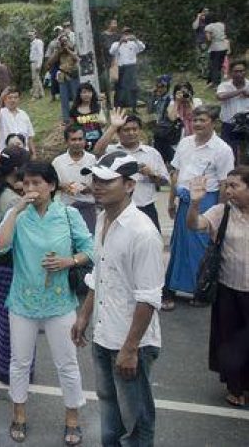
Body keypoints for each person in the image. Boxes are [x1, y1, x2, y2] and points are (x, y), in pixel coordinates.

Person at [0, 161, 92, 445]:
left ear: (51, 185)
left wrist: (68, 261)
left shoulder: (69, 214)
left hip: (60, 303)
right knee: (20, 362)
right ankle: (19, 414)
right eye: (26, 183)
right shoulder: (18, 215)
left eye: (37, 183)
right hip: (23, 301)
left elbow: (91, 249)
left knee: (67, 363)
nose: (31, 188)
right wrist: (15, 211)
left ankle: (72, 418)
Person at [71, 151, 164, 447]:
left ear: (129, 185)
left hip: (130, 343)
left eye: (107, 181)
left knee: (137, 421)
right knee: (110, 411)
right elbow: (100, 272)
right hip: (103, 335)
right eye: (95, 179)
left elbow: (148, 298)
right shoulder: (102, 219)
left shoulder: (143, 233)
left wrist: (130, 348)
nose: (97, 186)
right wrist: (84, 315)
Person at [186, 167, 249, 408]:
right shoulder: (221, 212)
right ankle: (235, 388)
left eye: (235, 186)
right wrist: (194, 204)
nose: (229, 190)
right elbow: (194, 225)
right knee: (231, 340)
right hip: (228, 289)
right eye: (227, 185)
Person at [163, 106, 235, 310]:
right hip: (184, 199)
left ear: (214, 122)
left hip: (207, 201)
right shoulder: (185, 143)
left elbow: (224, 183)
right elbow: (175, 174)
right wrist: (171, 201)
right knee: (179, 246)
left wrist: (220, 210)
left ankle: (201, 290)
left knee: (201, 247)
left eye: (202, 120)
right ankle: (173, 286)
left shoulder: (222, 149)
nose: (198, 124)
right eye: (195, 120)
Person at [0, 146, 30, 384]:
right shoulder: (13, 200)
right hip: (11, 260)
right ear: (17, 170)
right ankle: (14, 368)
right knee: (16, 317)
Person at [94, 111, 170, 232]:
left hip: (145, 208)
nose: (131, 133)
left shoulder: (151, 153)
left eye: (135, 129)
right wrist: (113, 126)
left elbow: (165, 182)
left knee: (150, 245)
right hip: (118, 209)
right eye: (126, 130)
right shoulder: (112, 151)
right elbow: (97, 152)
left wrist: (151, 174)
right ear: (118, 133)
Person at [53, 124, 98, 234]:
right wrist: (62, 186)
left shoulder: (92, 160)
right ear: (67, 141)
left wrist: (89, 188)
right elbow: (50, 184)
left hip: (88, 207)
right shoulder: (58, 162)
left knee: (90, 238)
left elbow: (99, 183)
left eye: (80, 139)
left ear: (85, 140)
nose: (77, 142)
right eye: (73, 139)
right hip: (66, 208)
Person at [216, 59, 249, 160]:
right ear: (231, 72)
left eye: (241, 71)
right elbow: (220, 96)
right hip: (229, 124)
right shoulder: (224, 85)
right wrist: (240, 91)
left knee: (246, 154)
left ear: (246, 71)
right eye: (236, 71)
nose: (239, 73)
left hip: (247, 123)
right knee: (228, 153)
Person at [109, 27, 145, 112]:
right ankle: (118, 107)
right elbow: (111, 52)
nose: (127, 35)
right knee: (120, 88)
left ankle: (133, 107)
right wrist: (120, 42)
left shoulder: (133, 43)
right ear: (121, 34)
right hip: (121, 67)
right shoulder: (116, 43)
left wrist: (135, 40)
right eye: (125, 33)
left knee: (133, 88)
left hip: (131, 67)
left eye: (128, 33)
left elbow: (142, 47)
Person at [0, 88, 37, 156]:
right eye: (9, 98)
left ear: (19, 99)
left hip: (23, 153)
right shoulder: (1, 113)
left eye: (15, 97)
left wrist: (34, 154)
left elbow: (30, 137)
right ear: (5, 100)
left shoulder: (24, 114)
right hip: (6, 154)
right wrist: (0, 98)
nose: (13, 100)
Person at [46, 34, 80, 122]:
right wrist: (57, 51)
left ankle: (78, 116)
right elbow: (50, 62)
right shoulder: (58, 50)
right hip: (62, 76)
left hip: (73, 74)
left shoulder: (74, 46)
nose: (64, 42)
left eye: (65, 40)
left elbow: (77, 58)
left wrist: (68, 50)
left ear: (69, 40)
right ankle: (67, 119)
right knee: (64, 99)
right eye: (62, 41)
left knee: (76, 97)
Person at [148, 75, 177, 163]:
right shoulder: (157, 98)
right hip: (159, 130)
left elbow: (171, 117)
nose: (159, 89)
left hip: (167, 131)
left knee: (170, 157)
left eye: (162, 86)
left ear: (167, 86)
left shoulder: (171, 99)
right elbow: (149, 110)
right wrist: (152, 96)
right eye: (158, 86)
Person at [68, 82, 103, 152]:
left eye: (89, 92)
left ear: (92, 93)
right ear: (79, 94)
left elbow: (104, 124)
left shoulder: (98, 107)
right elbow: (72, 128)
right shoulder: (74, 110)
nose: (87, 95)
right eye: (84, 92)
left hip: (98, 141)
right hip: (81, 143)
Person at [204, 14, 230, 88]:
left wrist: (211, 37)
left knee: (214, 66)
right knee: (219, 65)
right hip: (224, 46)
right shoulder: (221, 24)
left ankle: (216, 83)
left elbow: (208, 38)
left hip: (216, 47)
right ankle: (212, 81)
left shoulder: (209, 27)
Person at [100, 19, 120, 109]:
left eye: (116, 23)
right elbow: (100, 49)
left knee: (117, 82)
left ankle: (117, 102)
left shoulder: (117, 36)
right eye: (113, 23)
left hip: (116, 61)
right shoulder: (103, 36)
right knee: (107, 83)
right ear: (109, 25)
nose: (115, 25)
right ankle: (109, 103)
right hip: (105, 62)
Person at [46, 26, 63, 103]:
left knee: (62, 79)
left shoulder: (65, 39)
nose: (58, 32)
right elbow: (48, 54)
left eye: (59, 30)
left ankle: (63, 94)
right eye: (56, 31)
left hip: (63, 61)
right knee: (53, 79)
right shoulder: (52, 42)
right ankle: (53, 96)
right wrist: (48, 64)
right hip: (54, 62)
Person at [192, 8, 210, 80]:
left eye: (207, 12)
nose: (205, 13)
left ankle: (205, 74)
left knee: (205, 58)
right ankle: (200, 73)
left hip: (205, 41)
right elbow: (194, 27)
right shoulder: (198, 21)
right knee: (198, 58)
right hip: (198, 41)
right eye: (204, 12)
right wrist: (198, 17)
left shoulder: (208, 21)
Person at [28, 31, 45, 99]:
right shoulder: (32, 43)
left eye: (31, 35)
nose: (30, 36)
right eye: (29, 35)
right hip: (33, 62)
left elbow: (40, 53)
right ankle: (41, 93)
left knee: (35, 79)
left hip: (36, 62)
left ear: (35, 35)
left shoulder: (38, 42)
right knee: (37, 78)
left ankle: (35, 95)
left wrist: (39, 64)